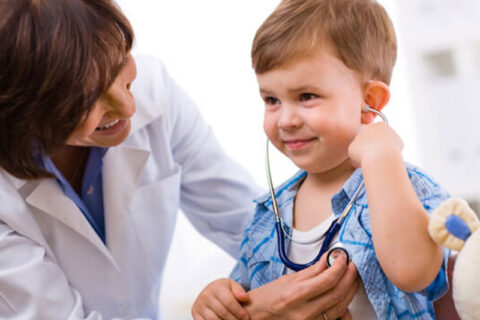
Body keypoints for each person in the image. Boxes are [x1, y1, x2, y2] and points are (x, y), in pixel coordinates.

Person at [0, 0, 361, 318]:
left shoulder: (153, 93)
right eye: (84, 101)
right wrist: (246, 314)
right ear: (26, 113)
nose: (128, 107)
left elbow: (251, 227)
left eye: (119, 63)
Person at [192, 0, 451, 319]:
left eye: (306, 96)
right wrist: (217, 299)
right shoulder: (266, 215)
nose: (286, 119)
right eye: (271, 100)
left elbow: (414, 272)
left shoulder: (408, 188)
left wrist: (381, 155)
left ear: (369, 101)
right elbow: (243, 299)